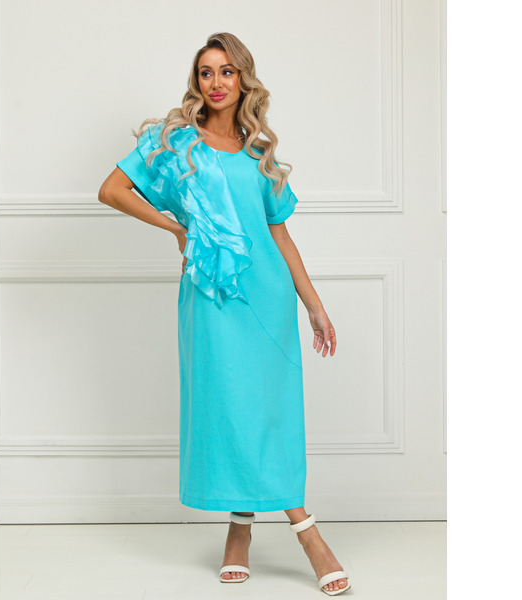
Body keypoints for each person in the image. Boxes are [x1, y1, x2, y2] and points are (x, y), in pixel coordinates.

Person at [98, 32, 350, 596]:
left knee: (270, 411)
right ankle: (307, 534)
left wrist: (313, 304)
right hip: (211, 298)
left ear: (244, 81)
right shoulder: (175, 144)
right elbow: (111, 190)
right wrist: (175, 227)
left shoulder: (260, 155)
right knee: (231, 407)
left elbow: (279, 234)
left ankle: (241, 530)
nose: (216, 82)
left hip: (268, 296)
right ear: (197, 81)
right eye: (206, 72)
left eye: (227, 71)